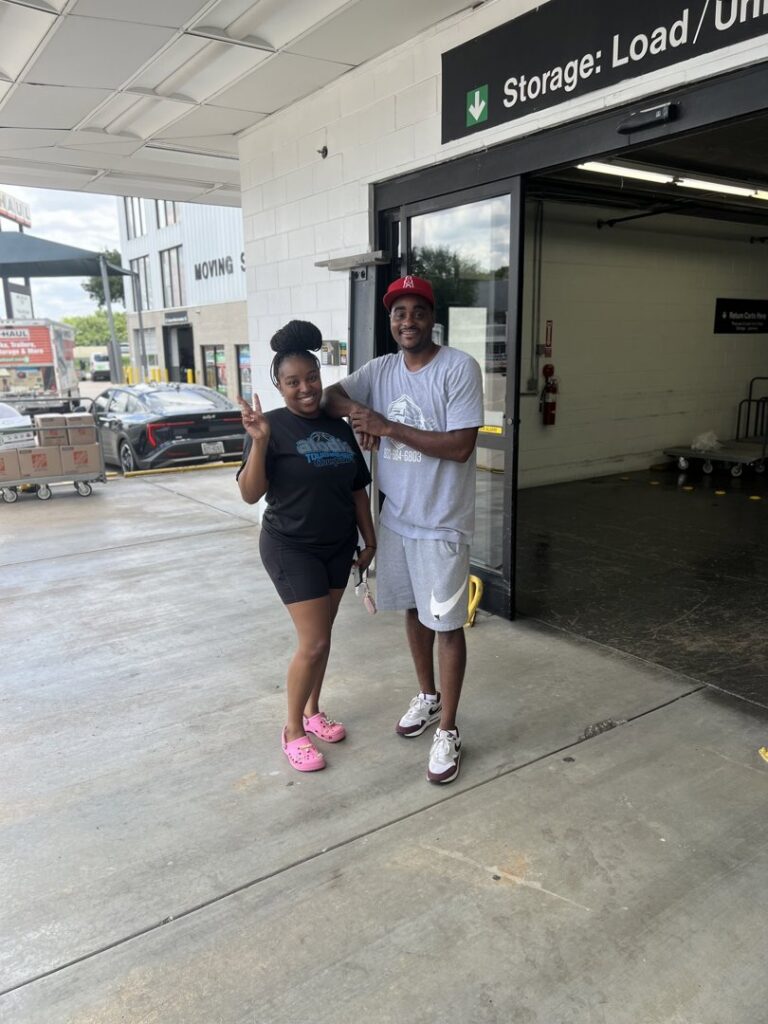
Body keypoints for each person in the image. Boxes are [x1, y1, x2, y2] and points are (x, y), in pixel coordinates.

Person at [322, 275, 484, 784]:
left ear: (431, 317)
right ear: (390, 320)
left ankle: (450, 729)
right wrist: (358, 416)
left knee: (447, 625)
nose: (406, 320)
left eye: (416, 311)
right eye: (398, 312)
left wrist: (386, 426)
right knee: (413, 610)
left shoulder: (458, 368)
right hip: (397, 520)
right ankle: (429, 698)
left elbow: (460, 446)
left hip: (440, 522)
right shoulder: (382, 369)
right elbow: (329, 396)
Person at [237, 320, 376, 773]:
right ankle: (293, 729)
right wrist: (259, 444)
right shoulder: (270, 426)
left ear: (321, 376)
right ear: (278, 386)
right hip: (290, 546)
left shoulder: (337, 426)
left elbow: (357, 488)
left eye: (311, 378)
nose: (305, 388)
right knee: (313, 641)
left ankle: (314, 712)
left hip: (337, 545)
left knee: (323, 637)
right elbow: (249, 493)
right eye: (293, 382)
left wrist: (369, 540)